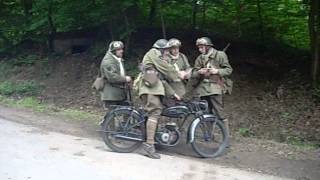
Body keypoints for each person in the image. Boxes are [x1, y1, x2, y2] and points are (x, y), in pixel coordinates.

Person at [134, 39, 181, 159]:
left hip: (153, 88)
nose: (167, 52)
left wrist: (173, 94)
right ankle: (149, 145)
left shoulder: (157, 56)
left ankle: (152, 138)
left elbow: (163, 79)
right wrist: (178, 74)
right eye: (166, 50)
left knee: (155, 113)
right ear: (162, 49)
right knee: (155, 113)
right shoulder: (154, 53)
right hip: (149, 89)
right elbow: (167, 69)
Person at [192, 37, 233, 136]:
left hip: (216, 88)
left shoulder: (220, 55)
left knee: (220, 113)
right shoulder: (200, 58)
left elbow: (228, 70)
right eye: (199, 48)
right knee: (206, 112)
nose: (200, 50)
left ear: (208, 47)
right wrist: (199, 72)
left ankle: (226, 137)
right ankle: (208, 135)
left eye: (202, 47)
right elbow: (194, 73)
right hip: (203, 90)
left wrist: (217, 71)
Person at [99, 41, 132, 108]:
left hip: (118, 93)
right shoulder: (108, 61)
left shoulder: (117, 59)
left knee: (127, 111)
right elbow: (112, 77)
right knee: (112, 115)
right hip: (111, 95)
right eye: (118, 50)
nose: (121, 51)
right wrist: (125, 79)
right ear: (113, 51)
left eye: (122, 49)